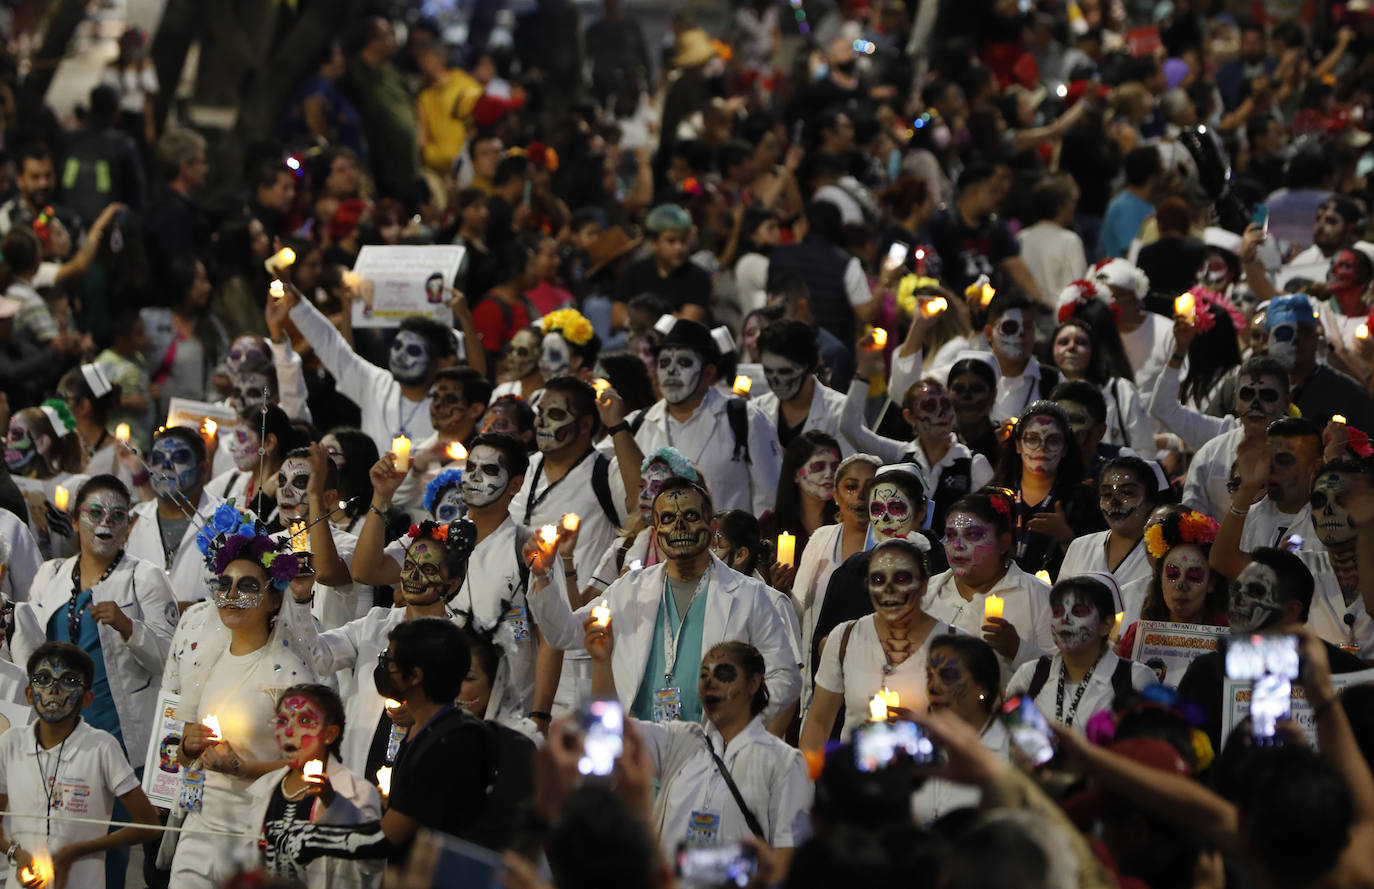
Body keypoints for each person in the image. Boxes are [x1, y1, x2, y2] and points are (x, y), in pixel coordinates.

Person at [527, 478, 800, 726]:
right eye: (668, 518)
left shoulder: (752, 596)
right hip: (640, 754)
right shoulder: (628, 590)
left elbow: (786, 677)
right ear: (656, 532)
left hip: (713, 753)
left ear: (713, 527)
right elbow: (563, 634)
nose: (679, 525)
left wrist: (740, 722)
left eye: (691, 516)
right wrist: (542, 575)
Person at [357, 434, 557, 730]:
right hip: (430, 706)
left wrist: (540, 714)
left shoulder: (529, 547)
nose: (475, 477)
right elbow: (366, 571)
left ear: (515, 485)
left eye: (489, 470)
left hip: (504, 713)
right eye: (470, 467)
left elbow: (550, 638)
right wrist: (380, 497)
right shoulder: (433, 538)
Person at [172, 509, 315, 888]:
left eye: (248, 587)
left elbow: (310, 768)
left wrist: (244, 770)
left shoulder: (289, 674)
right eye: (225, 584)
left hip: (254, 837)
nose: (231, 596)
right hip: (198, 829)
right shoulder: (205, 660)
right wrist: (189, 746)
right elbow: (180, 752)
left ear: (273, 601)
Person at [586, 622, 811, 863]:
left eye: (723, 674)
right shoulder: (681, 741)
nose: (710, 682)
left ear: (754, 684)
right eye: (704, 675)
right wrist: (601, 662)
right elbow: (611, 734)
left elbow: (788, 863)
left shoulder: (785, 763)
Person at [284, 518, 477, 781]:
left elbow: (475, 706)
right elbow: (315, 657)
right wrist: (300, 600)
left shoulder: (464, 639)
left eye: (428, 568)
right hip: (358, 772)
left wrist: (427, 711)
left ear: (452, 583)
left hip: (423, 776)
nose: (413, 576)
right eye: (409, 566)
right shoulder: (373, 625)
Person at [13, 475, 177, 763]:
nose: (106, 523)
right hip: (57, 731)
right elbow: (29, 653)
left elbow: (171, 662)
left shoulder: (146, 577)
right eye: (96, 513)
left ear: (128, 526)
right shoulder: (50, 575)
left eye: (117, 516)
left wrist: (128, 628)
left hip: (124, 737)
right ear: (75, 521)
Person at [0, 642, 161, 888]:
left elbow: (149, 825)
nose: (54, 689)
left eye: (69, 681)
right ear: (30, 694)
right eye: (42, 679)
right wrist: (16, 854)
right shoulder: (10, 743)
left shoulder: (101, 747)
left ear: (87, 698)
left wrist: (77, 851)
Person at [1178, 547, 1368, 749]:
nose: (1237, 600)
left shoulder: (1348, 676)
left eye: (1255, 591)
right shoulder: (1207, 673)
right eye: (1237, 588)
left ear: (1292, 610)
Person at [1210, 458, 1374, 657]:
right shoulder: (1300, 566)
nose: (1327, 511)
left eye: (1342, 500)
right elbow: (1222, 560)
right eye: (1319, 501)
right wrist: (1247, 489)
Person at [272, 277, 456, 450]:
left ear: (439, 362)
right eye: (398, 346)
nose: (401, 355)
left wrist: (463, 316)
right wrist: (295, 301)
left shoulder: (451, 405)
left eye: (413, 351)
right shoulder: (376, 384)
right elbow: (329, 343)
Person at [801, 537, 953, 745]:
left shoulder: (955, 645)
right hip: (853, 775)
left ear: (924, 584)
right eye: (878, 580)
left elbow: (968, 733)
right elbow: (819, 721)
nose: (888, 589)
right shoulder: (845, 637)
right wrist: (810, 773)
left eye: (901, 579)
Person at [631, 319, 781, 517]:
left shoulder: (747, 418)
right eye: (664, 363)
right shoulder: (639, 424)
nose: (671, 371)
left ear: (709, 372)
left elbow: (770, 499)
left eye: (684, 362)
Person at [841, 339, 994, 530]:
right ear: (909, 416)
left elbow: (986, 525)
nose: (941, 413)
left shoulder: (974, 464)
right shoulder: (899, 456)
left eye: (945, 405)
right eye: (929, 406)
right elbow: (850, 427)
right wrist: (864, 368)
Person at [249, 684, 382, 889]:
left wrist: (334, 803)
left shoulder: (359, 792)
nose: (289, 731)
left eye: (304, 720)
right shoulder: (264, 789)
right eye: (283, 721)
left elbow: (373, 862)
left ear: (330, 734)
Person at [923, 490, 1055, 673]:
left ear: (1003, 542)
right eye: (951, 535)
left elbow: (1064, 675)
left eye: (972, 535)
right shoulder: (925, 592)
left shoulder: (1040, 596)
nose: (957, 545)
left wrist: (1019, 650)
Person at [1006, 574, 1155, 727]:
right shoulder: (1029, 675)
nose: (1064, 619)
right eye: (1057, 612)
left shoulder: (1135, 679)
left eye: (1078, 612)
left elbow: (1148, 747)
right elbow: (1008, 739)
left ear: (1106, 624)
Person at [793, 453, 878, 716]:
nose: (861, 496)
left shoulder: (893, 547)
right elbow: (799, 609)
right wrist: (780, 591)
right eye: (851, 487)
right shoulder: (820, 538)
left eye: (872, 488)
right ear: (836, 495)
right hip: (819, 678)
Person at [909, 634, 1009, 824]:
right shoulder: (917, 744)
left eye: (947, 676)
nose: (932, 688)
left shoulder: (1013, 749)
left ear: (982, 688)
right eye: (929, 676)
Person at [992, 400, 1099, 576]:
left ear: (1065, 448)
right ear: (1018, 445)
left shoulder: (1083, 500)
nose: (1042, 448)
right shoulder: (994, 496)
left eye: (1053, 440)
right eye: (1033, 439)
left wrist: (1067, 538)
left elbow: (1097, 568)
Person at [1182, 355, 1293, 521]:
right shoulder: (1209, 455)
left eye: (1267, 395)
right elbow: (1190, 523)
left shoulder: (1305, 450)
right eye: (1247, 394)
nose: (1255, 405)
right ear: (1235, 400)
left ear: (1286, 401)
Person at [125, 426, 223, 607]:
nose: (166, 466)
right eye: (158, 459)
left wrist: (193, 611)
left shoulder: (232, 521)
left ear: (203, 467)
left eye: (179, 458)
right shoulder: (130, 521)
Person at [1059, 455, 1160, 630]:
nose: (1114, 502)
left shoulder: (1161, 554)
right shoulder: (1080, 546)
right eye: (1106, 494)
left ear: (1150, 500)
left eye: (1127, 492)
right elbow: (1059, 609)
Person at [1050, 282, 1152, 450]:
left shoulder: (1121, 393)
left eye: (1082, 340)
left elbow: (1145, 453)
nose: (1071, 348)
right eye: (1063, 341)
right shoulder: (1040, 384)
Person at [1117, 509, 1227, 659]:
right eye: (1173, 574)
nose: (1181, 585)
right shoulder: (1136, 637)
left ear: (1211, 584)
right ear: (1160, 579)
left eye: (1194, 576)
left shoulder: (1231, 635)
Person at [766, 200, 874, 350]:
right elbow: (866, 313)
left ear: (807, 225)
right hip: (831, 356)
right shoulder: (847, 263)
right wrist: (885, 281)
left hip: (783, 349)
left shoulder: (778, 256)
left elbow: (772, 302)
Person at [752, 319, 850, 454]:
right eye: (768, 371)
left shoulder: (842, 413)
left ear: (808, 367)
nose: (776, 381)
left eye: (785, 371)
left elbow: (850, 472)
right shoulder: (756, 410)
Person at [614, 204, 712, 323]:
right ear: (654, 243)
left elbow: (686, 324)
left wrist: (640, 318)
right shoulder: (635, 271)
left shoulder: (698, 277)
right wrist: (669, 317)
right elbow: (616, 316)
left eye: (683, 240)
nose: (679, 247)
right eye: (671, 240)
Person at [769, 431, 841, 564]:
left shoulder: (847, 523)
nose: (829, 474)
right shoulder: (768, 525)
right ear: (796, 474)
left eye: (835, 467)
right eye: (819, 467)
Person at [1101, 146, 1160, 259]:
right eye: (1161, 170)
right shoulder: (1123, 207)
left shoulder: (1148, 204)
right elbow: (1132, 255)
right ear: (1152, 177)